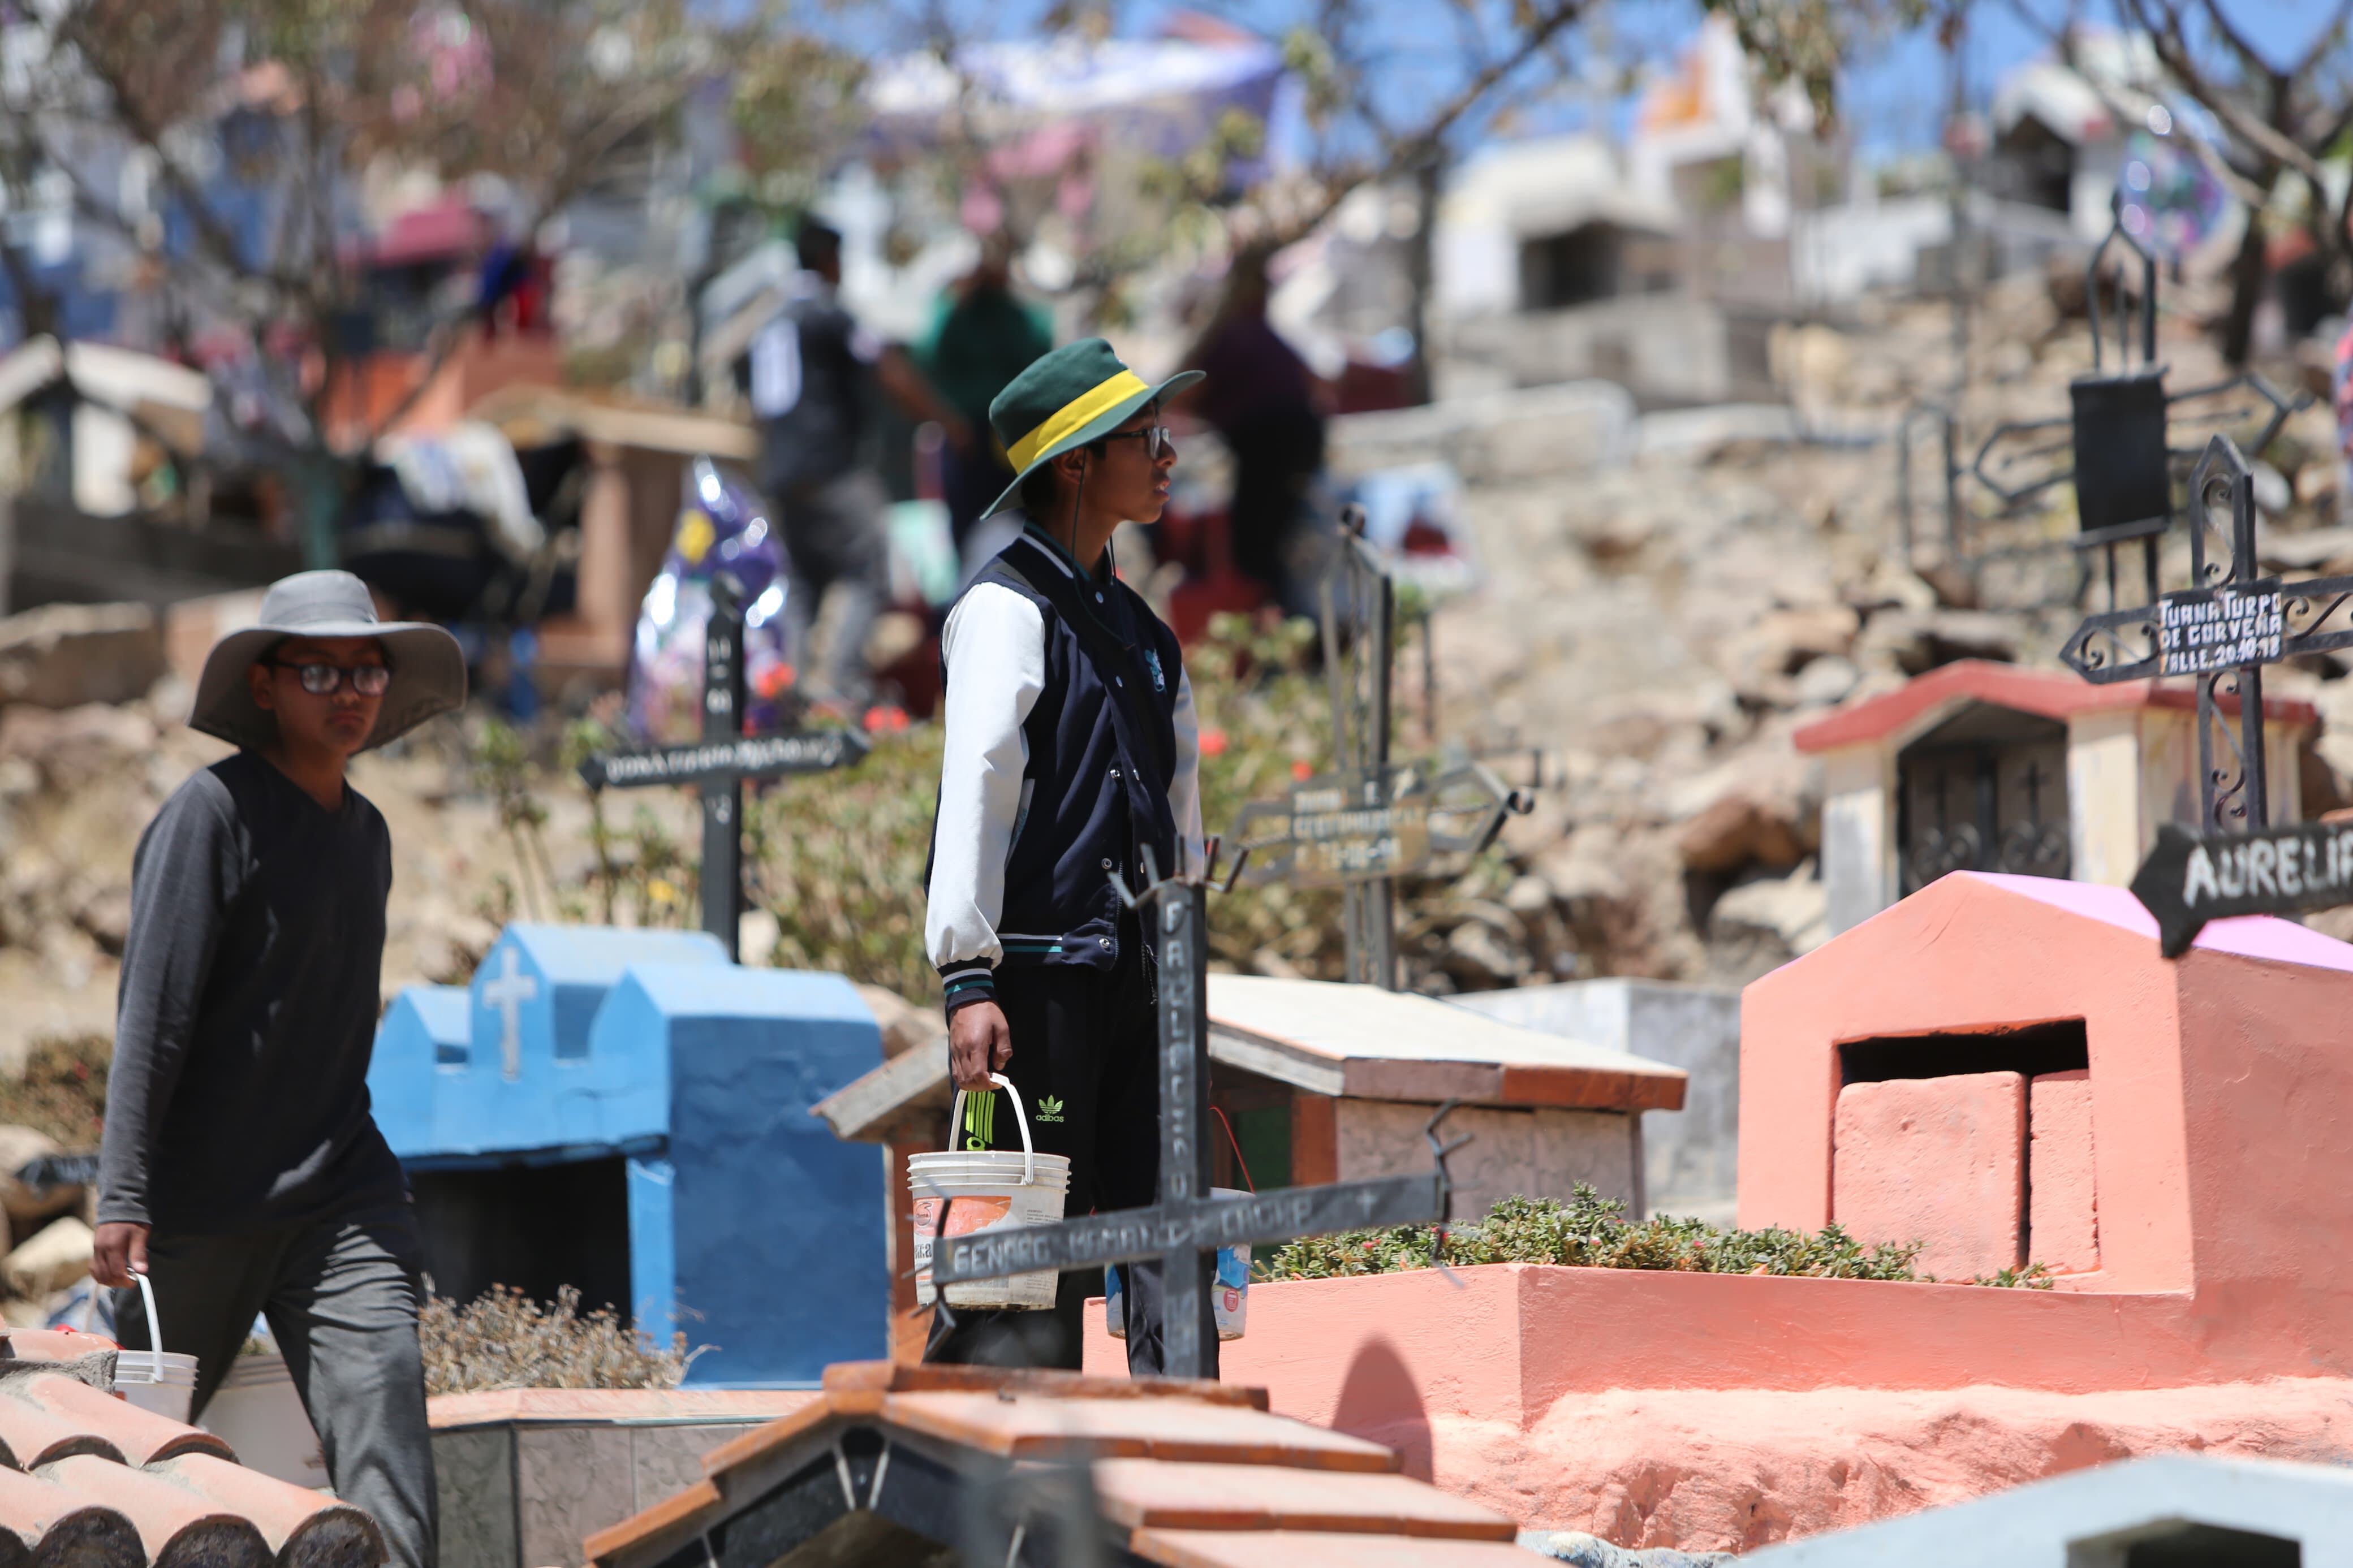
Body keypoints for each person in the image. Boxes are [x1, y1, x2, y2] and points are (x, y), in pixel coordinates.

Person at [92, 570, 466, 1568]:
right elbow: (154, 1017)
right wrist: (123, 1187)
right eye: (319, 670)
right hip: (198, 1210)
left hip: (341, 1198)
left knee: (386, 1430)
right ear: (266, 686)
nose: (348, 691)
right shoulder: (209, 817)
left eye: (367, 670)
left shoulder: (369, 835)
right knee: (115, 1460)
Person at [923, 339, 1207, 1374]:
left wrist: (1181, 964)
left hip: (1141, 983)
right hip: (1036, 982)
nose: (1169, 455)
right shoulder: (1004, 608)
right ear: (1079, 462)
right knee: (1019, 1257)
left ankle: (1192, 1468)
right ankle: (1001, 1501)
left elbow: (1181, 809)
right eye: (1149, 438)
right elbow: (979, 789)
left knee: (1174, 1234)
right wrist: (969, 977)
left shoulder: (1143, 632)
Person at [739, 219, 964, 709]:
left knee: (801, 579)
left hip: (780, 472)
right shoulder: (828, 314)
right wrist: (948, 421)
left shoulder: (771, 320)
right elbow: (886, 367)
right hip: (830, 468)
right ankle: (836, 687)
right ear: (828, 260)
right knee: (868, 569)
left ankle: (789, 688)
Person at [1179, 245, 1329, 615]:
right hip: (1287, 443)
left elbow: (1186, 397)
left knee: (1259, 546)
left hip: (1274, 446)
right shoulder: (1252, 335)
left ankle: (1276, 627)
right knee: (1270, 542)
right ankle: (1278, 625)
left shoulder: (1238, 336)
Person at [914, 237, 1055, 556]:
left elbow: (1042, 354)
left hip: (1011, 437)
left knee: (1024, 522)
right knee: (966, 526)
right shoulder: (954, 314)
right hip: (966, 436)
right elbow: (927, 356)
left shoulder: (1020, 318)